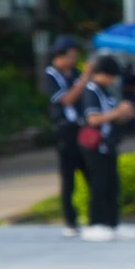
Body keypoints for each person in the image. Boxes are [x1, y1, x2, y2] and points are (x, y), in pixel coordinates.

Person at [77, 55, 135, 242]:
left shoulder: (106, 91)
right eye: (111, 76)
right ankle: (95, 224)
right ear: (102, 74)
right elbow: (93, 119)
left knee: (112, 185)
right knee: (98, 185)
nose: (113, 80)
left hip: (108, 145)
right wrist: (118, 111)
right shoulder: (91, 91)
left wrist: (125, 113)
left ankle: (112, 224)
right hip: (94, 146)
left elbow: (111, 117)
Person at [44, 36, 89, 238]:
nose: (73, 61)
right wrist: (85, 78)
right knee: (68, 179)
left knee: (92, 175)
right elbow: (67, 99)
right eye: (70, 57)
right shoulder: (50, 75)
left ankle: (97, 218)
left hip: (81, 128)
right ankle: (71, 221)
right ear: (59, 56)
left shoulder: (75, 74)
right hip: (65, 131)